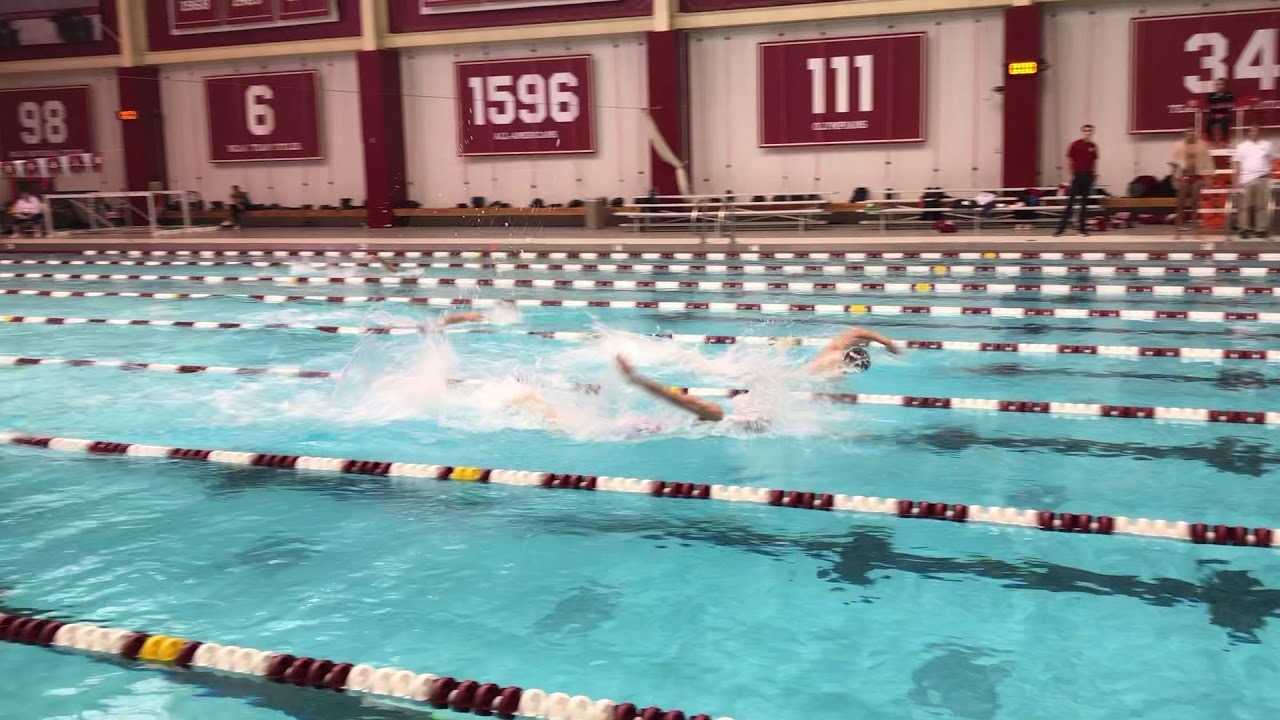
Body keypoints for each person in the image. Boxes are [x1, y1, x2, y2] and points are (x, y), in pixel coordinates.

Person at [1053, 124, 1099, 237]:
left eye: (1090, 131)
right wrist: (1071, 174)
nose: (1088, 132)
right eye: (1086, 130)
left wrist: (1094, 174)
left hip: (1088, 176)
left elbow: (1094, 161)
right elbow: (1069, 159)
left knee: (1084, 204)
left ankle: (1082, 230)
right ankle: (1060, 229)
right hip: (1078, 175)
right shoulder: (1075, 144)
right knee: (1071, 203)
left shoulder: (1093, 146)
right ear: (1082, 132)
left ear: (1092, 132)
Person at [806, 327, 902, 379]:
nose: (866, 345)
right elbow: (887, 342)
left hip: (824, 363)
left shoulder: (844, 345)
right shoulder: (855, 334)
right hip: (830, 361)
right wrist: (892, 348)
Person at [1170, 127, 1214, 239]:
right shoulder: (1179, 147)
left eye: (1192, 133)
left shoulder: (1202, 146)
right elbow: (1174, 165)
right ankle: (1177, 231)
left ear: (1195, 134)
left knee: (1195, 203)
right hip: (1184, 176)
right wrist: (1174, 179)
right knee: (1180, 204)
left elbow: (1209, 163)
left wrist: (1210, 178)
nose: (1190, 135)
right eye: (1187, 133)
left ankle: (1196, 231)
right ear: (1185, 135)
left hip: (1197, 176)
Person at [1234, 125, 1275, 239]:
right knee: (1245, 206)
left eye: (1256, 131)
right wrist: (1237, 180)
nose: (1254, 133)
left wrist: (1269, 175)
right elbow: (1237, 163)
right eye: (1252, 131)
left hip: (1262, 177)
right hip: (1246, 179)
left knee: (1261, 205)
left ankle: (1261, 229)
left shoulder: (1266, 145)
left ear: (1259, 132)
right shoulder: (1241, 146)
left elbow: (1270, 160)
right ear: (1249, 133)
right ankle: (1244, 229)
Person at [1206, 78, 1235, 147]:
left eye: (1221, 84)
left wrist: (1219, 103)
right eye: (1217, 84)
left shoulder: (1229, 95)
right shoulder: (1210, 95)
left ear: (1224, 85)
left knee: (1224, 121)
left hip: (1225, 115)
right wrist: (1220, 104)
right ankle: (1210, 140)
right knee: (1208, 121)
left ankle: (1224, 141)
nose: (1219, 86)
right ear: (1215, 86)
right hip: (1213, 115)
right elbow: (1210, 105)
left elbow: (1229, 105)